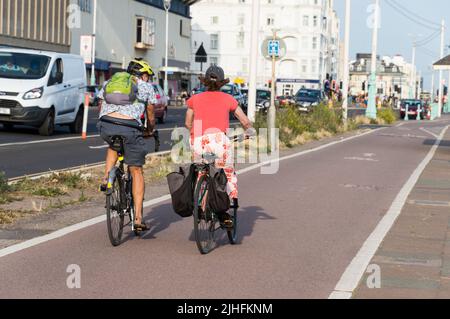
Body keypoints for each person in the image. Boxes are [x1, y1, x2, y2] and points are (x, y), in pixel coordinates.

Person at [185, 65, 254, 226]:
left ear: (205, 82)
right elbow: (244, 121)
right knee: (227, 174)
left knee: (201, 169)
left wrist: (198, 133)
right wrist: (250, 131)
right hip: (219, 142)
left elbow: (188, 123)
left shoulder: (195, 99)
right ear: (222, 83)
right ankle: (225, 213)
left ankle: (200, 202)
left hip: (198, 142)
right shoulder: (228, 99)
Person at [97, 59, 157, 232]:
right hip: (130, 128)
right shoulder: (146, 87)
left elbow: (101, 104)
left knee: (113, 144)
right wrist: (150, 130)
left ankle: (107, 180)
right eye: (148, 76)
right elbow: (151, 114)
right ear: (143, 75)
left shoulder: (110, 82)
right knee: (136, 169)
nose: (148, 79)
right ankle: (138, 218)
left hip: (106, 125)